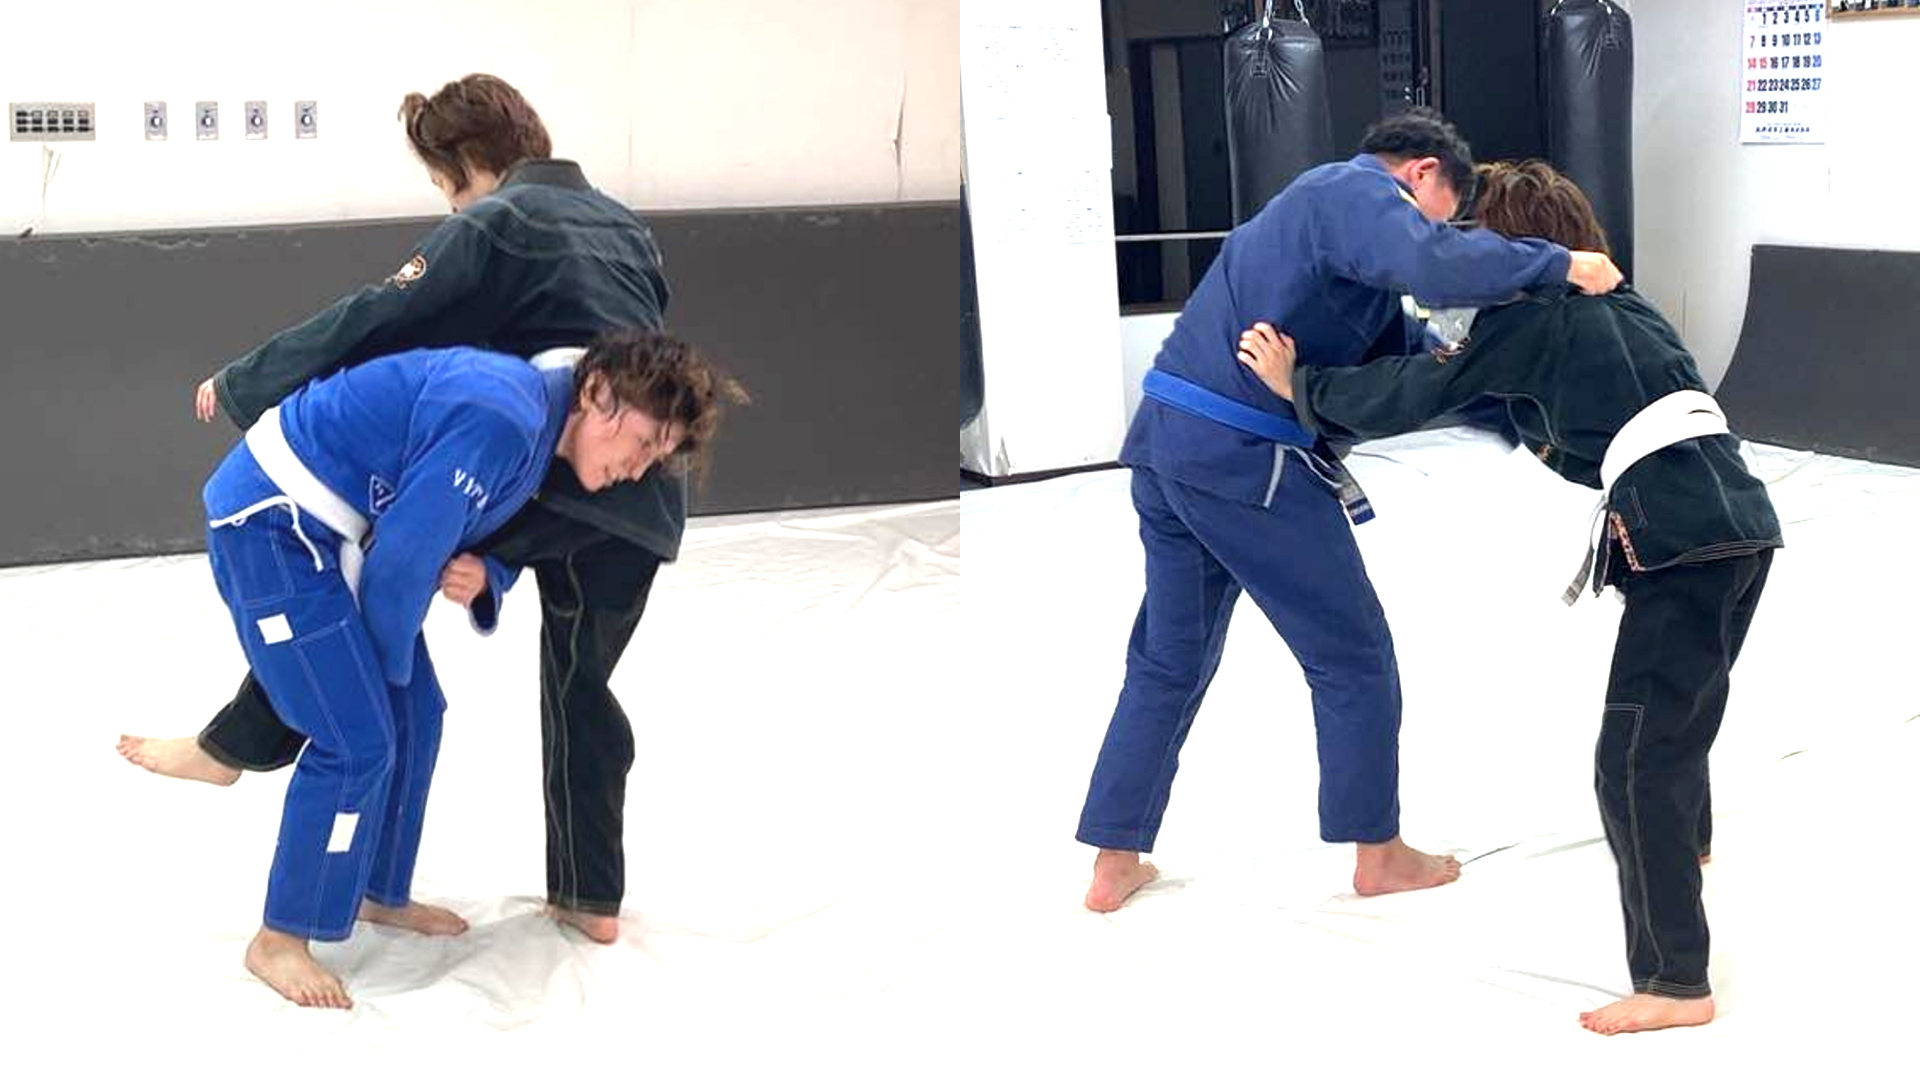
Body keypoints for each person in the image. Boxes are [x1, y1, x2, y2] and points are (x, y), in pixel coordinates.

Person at [117, 74, 687, 942]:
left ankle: (236, 746)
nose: (448, 207)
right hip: (640, 485)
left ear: (468, 167)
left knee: (370, 606)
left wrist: (249, 380)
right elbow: (651, 361)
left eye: (442, 188)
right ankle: (589, 899)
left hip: (551, 460)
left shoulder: (500, 220)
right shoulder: (626, 226)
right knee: (582, 689)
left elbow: (381, 314)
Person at [1234, 158, 1782, 1036]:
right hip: (1741, 525)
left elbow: (1416, 391)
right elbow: (1587, 412)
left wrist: (1298, 386)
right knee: (1680, 712)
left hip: (1679, 542)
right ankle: (1691, 842)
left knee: (1634, 759)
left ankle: (1676, 980)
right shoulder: (1627, 305)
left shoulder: (1530, 317)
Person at [1078, 108, 1625, 913]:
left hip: (1168, 451)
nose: (1435, 235)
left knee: (1169, 659)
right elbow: (1430, 263)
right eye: (1441, 215)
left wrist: (1485, 379)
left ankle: (1114, 857)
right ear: (1421, 173)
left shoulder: (1316, 240)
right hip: (1245, 462)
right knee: (1354, 657)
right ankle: (1380, 853)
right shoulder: (1349, 191)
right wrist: (1564, 263)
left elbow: (1392, 351)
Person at [197, 328, 737, 1008]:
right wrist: (379, 684)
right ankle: (280, 937)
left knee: (417, 713)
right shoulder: (503, 417)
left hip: (332, 536)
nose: (637, 469)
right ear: (598, 391)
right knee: (358, 738)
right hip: (270, 524)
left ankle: (377, 890)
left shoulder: (536, 426)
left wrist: (491, 576)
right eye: (644, 443)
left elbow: (466, 533)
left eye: (655, 457)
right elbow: (399, 568)